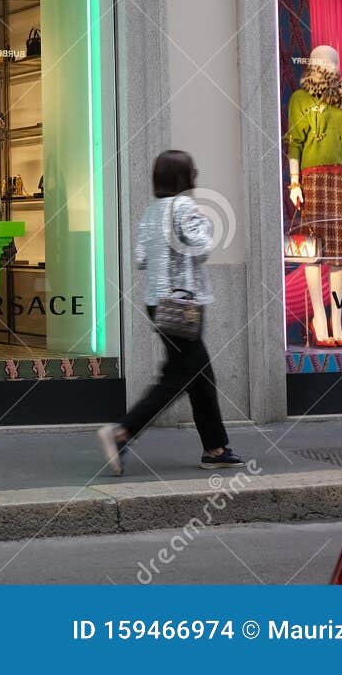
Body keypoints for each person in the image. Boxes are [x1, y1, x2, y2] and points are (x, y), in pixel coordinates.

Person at [97, 150, 242, 475]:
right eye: (193, 169)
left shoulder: (151, 212)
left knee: (200, 375)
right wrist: (204, 221)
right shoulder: (185, 207)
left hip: (157, 301)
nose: (196, 173)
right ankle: (122, 431)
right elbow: (202, 248)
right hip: (184, 304)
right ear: (183, 176)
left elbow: (141, 258)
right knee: (177, 377)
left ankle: (215, 448)